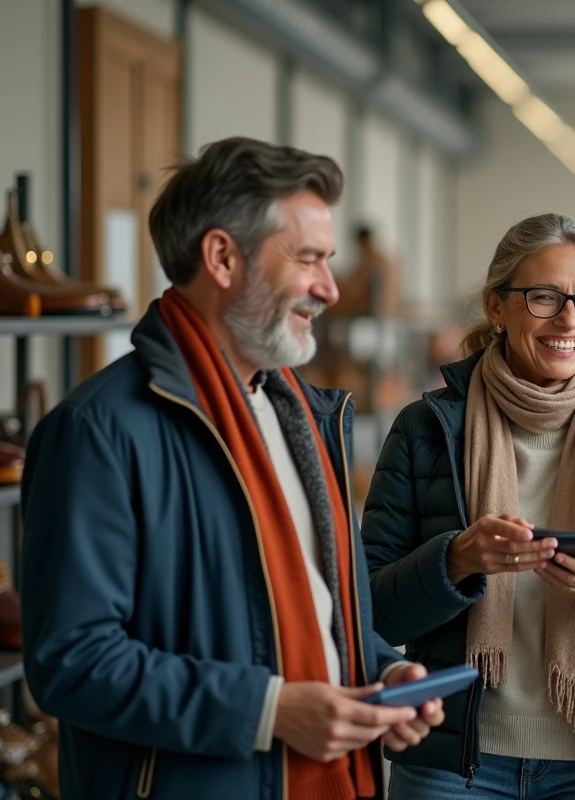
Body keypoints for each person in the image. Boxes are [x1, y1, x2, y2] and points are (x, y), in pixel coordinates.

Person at [19, 137, 444, 799]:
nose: (330, 289)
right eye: (307, 259)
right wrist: (269, 711)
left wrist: (381, 673)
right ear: (221, 257)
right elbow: (72, 663)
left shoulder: (303, 415)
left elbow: (318, 612)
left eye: (329, 261)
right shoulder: (100, 431)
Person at [360, 213, 575, 799]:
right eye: (544, 297)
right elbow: (366, 610)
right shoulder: (425, 430)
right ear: (496, 307)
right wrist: (453, 562)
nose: (570, 320)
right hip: (456, 764)